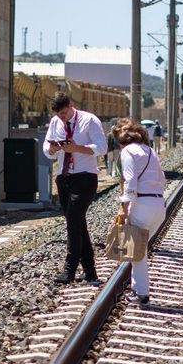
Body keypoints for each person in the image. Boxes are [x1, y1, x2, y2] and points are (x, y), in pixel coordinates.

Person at [43, 91, 107, 285]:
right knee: (78, 224)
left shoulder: (90, 121)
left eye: (63, 113)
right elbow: (47, 148)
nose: (61, 117)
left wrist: (77, 148)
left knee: (73, 221)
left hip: (85, 177)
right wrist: (52, 149)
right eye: (58, 114)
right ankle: (90, 271)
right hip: (64, 178)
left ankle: (69, 270)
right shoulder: (55, 123)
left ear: (71, 105)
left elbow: (102, 147)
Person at [113, 122, 166, 306]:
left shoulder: (127, 152)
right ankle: (139, 291)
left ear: (122, 141)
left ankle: (141, 293)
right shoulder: (150, 151)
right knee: (140, 252)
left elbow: (130, 182)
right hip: (158, 205)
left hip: (141, 205)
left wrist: (124, 208)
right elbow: (162, 179)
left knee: (137, 253)